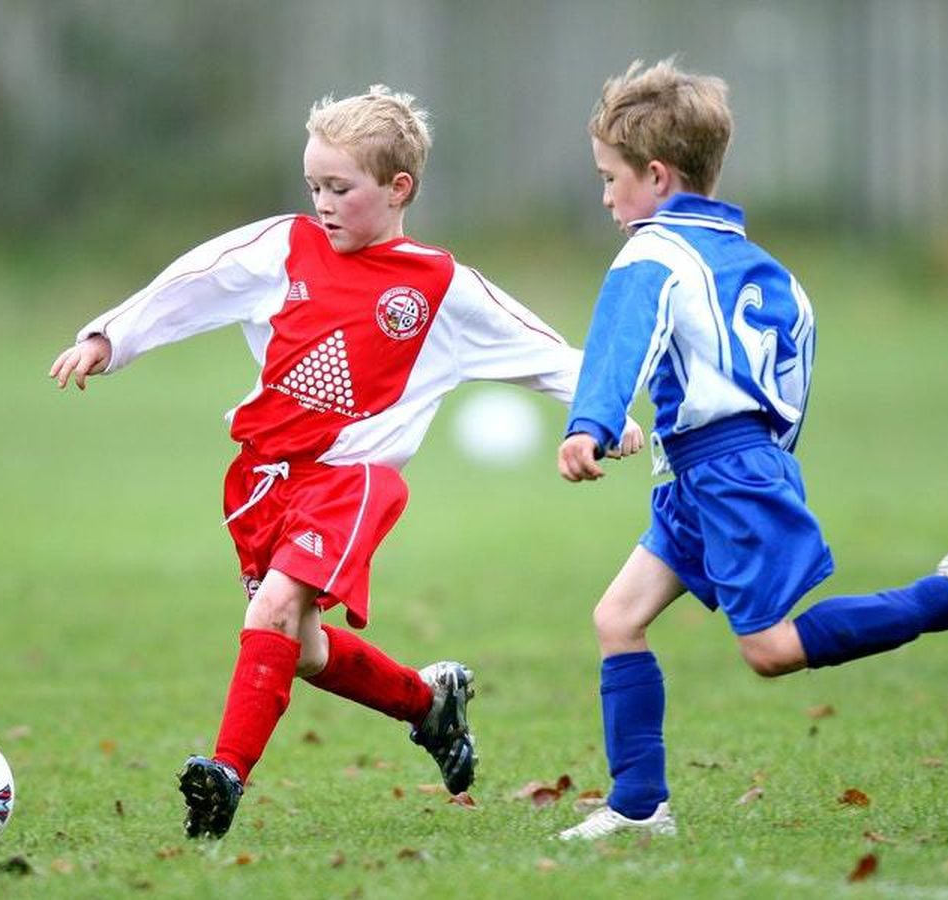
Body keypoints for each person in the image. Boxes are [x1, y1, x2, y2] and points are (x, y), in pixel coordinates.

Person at [50, 85, 643, 840]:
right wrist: (110, 338)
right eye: (315, 187)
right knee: (298, 649)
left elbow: (537, 350)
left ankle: (225, 776)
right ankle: (430, 707)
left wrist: (605, 414)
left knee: (269, 612)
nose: (323, 204)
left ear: (399, 189)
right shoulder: (283, 248)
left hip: (353, 481)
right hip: (266, 478)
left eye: (341, 188)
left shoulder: (437, 286)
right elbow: (195, 283)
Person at [555, 59, 948, 841]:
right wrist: (759, 462)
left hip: (724, 472)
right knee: (617, 617)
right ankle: (638, 807)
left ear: (656, 176)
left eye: (609, 178)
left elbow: (619, 342)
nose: (605, 198)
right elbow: (789, 376)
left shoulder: (651, 253)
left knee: (767, 650)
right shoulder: (766, 270)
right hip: (720, 469)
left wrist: (589, 423)